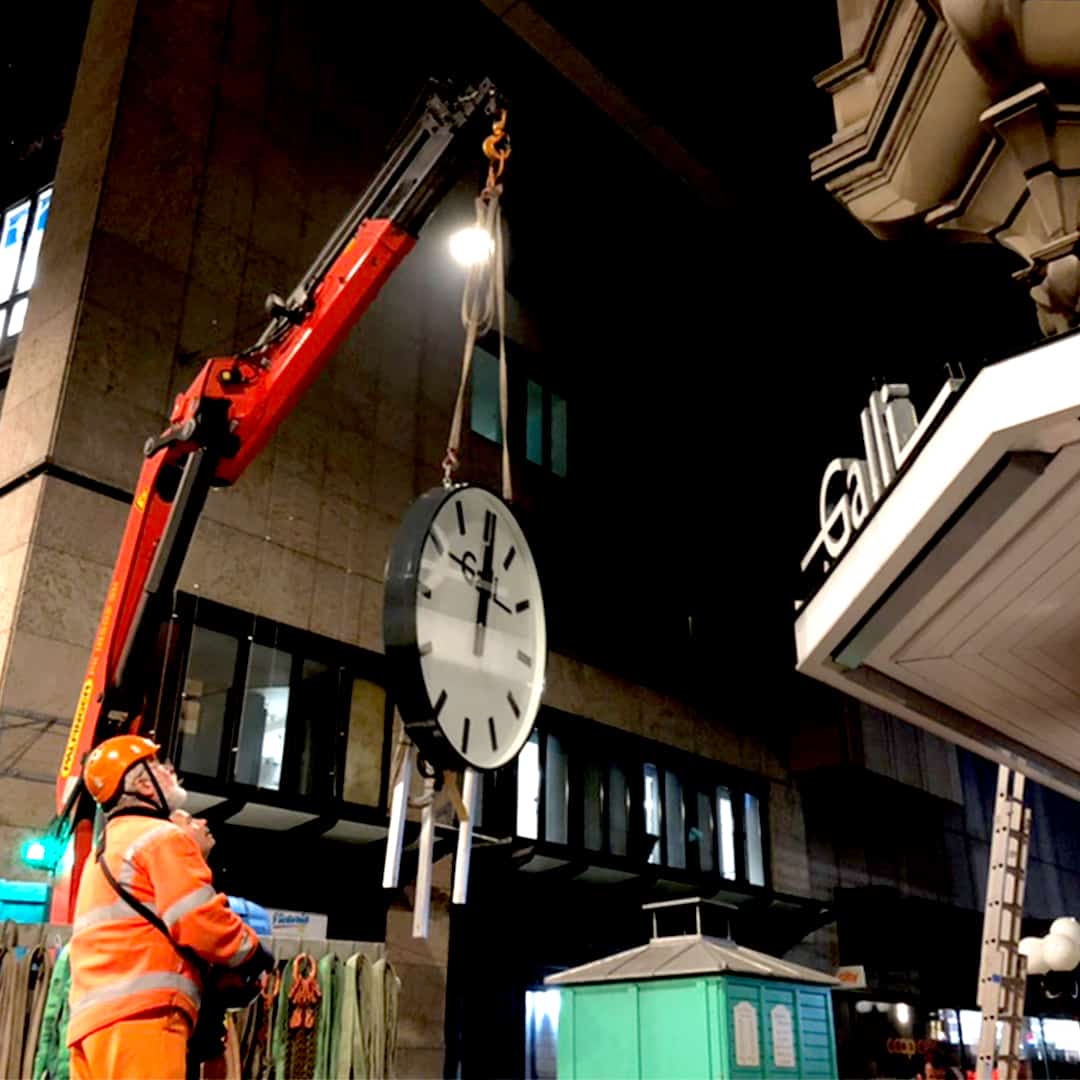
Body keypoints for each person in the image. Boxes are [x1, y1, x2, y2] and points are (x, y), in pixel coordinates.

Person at [67, 735, 272, 1080]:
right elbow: (198, 919)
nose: (170, 770)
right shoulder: (161, 838)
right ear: (145, 784)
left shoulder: (106, 850)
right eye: (159, 764)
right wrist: (254, 952)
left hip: (93, 1025)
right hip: (143, 1019)